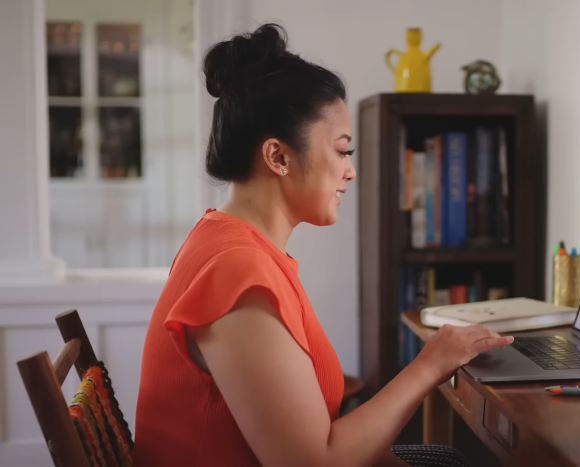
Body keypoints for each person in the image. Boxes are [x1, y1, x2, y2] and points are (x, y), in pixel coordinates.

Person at [133, 23, 513, 467]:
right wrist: (430, 365)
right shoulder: (235, 271)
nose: (350, 171)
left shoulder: (231, 243)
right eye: (342, 150)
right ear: (278, 156)